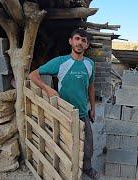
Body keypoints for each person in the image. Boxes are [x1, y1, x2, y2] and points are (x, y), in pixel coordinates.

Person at [29, 28, 99, 179]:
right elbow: (33, 75)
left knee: (88, 146)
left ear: (87, 45)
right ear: (71, 41)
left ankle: (87, 168)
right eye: (77, 39)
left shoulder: (90, 64)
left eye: (84, 40)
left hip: (82, 112)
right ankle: (67, 172)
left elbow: (91, 87)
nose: (80, 42)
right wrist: (47, 89)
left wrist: (92, 108)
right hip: (64, 113)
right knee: (66, 144)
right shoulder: (60, 62)